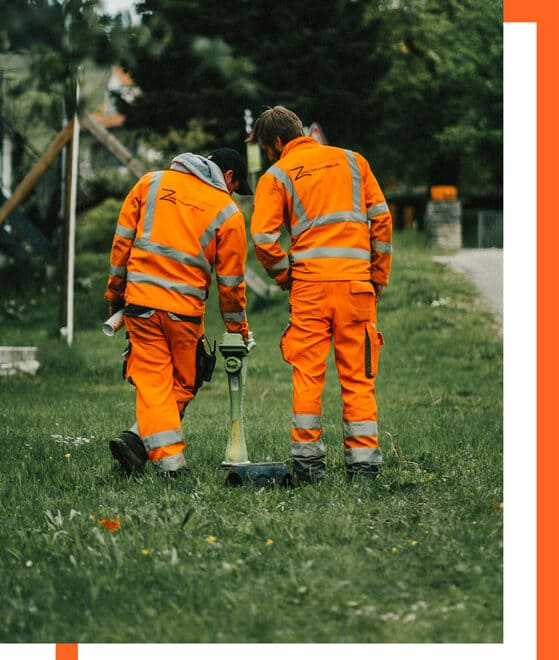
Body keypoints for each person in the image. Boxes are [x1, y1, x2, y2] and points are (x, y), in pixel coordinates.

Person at [249, 106, 392, 483]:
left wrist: (285, 276)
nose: (270, 156)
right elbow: (381, 218)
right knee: (358, 377)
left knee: (308, 375)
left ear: (277, 142)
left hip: (310, 290)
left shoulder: (277, 175)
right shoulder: (352, 161)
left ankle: (308, 465)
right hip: (356, 287)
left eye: (267, 149)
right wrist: (377, 276)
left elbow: (264, 238)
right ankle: (363, 466)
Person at [105, 148, 254, 477]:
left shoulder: (151, 183)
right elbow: (231, 286)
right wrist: (238, 330)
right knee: (184, 383)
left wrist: (115, 295)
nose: (232, 193)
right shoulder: (227, 212)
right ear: (229, 176)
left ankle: (135, 440)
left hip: (141, 305)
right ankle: (172, 466)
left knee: (158, 382)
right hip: (184, 314)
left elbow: (122, 244)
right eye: (236, 186)